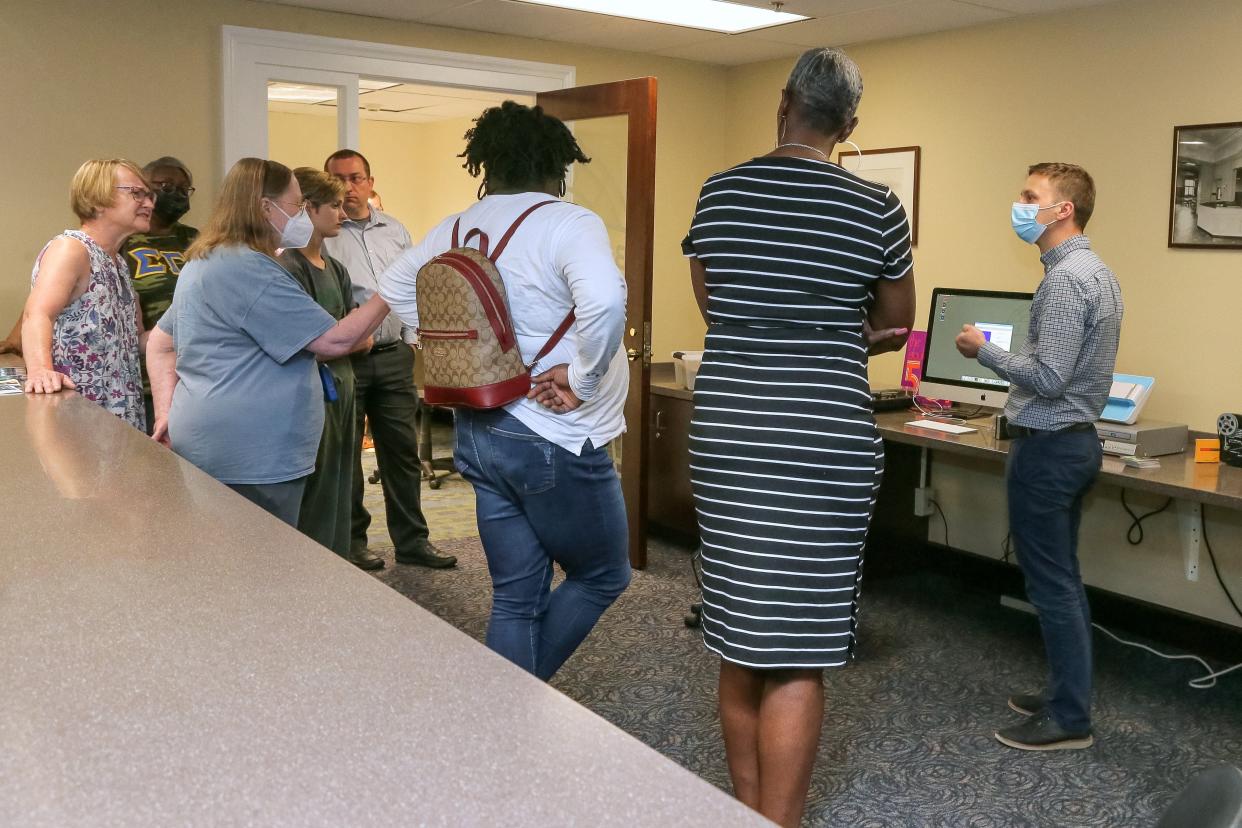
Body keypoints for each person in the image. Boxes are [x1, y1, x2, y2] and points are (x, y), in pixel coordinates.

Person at [682, 49, 915, 827]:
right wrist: (834, 327)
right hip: (823, 440)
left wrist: (771, 322)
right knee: (798, 648)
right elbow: (895, 320)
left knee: (739, 632)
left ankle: (747, 812)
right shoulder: (877, 207)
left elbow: (715, 306)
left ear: (782, 102)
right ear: (849, 125)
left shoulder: (720, 193)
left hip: (731, 433)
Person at [379, 100, 631, 680]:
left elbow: (395, 284)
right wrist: (584, 377)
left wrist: (451, 349)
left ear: (486, 163)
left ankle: (500, 720)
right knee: (603, 575)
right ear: (557, 166)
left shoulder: (456, 226)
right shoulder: (569, 222)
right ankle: (508, 707)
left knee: (516, 597)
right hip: (553, 435)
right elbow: (606, 301)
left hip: (480, 431)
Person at [955, 163, 1122, 752]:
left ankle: (1069, 716)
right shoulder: (1095, 271)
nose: (1020, 204)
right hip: (1076, 443)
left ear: (1062, 210)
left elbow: (1048, 377)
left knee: (1051, 585)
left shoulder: (1063, 282)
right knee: (1062, 580)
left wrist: (984, 350)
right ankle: (1062, 693)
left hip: (1049, 448)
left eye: (1031, 196)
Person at [146, 158, 389, 526]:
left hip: (220, 442)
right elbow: (335, 342)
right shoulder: (247, 268)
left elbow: (161, 344)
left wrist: (166, 412)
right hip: (251, 456)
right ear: (265, 207)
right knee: (261, 568)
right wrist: (393, 291)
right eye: (296, 206)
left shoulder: (206, 258)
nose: (301, 216)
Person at [324, 149, 455, 571]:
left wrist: (412, 338)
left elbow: (414, 284)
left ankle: (413, 541)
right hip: (348, 359)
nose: (348, 187)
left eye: (356, 177)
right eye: (339, 179)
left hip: (394, 356)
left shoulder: (394, 230)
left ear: (370, 181)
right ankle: (353, 541)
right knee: (348, 455)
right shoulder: (323, 234)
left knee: (400, 452)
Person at [22, 158, 152, 430]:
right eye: (136, 193)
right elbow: (37, 314)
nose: (149, 203)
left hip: (118, 421)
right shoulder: (71, 249)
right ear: (97, 199)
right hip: (76, 421)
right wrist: (40, 370)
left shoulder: (119, 264)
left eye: (149, 195)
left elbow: (133, 341)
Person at [280, 168, 369, 559]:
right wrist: (341, 338)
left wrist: (342, 339)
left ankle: (340, 561)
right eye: (334, 206)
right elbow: (313, 342)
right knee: (315, 486)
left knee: (342, 481)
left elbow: (358, 338)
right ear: (308, 208)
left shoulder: (336, 270)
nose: (343, 214)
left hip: (345, 387)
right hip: (313, 390)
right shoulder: (288, 267)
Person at [121, 156, 199, 431]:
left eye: (183, 188)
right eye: (166, 186)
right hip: (142, 379)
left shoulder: (197, 240)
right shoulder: (123, 240)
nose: (176, 194)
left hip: (193, 373)